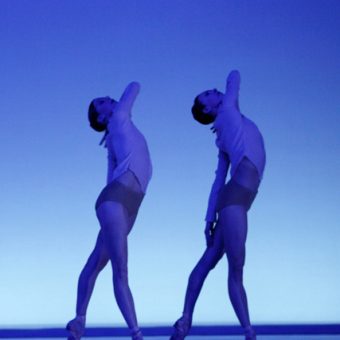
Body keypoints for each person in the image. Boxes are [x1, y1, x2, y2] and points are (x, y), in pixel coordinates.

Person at [170, 70, 266, 340]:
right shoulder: (227, 113)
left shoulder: (224, 133)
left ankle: (185, 321)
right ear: (210, 109)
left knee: (210, 260)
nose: (214, 90)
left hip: (232, 199)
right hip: (236, 199)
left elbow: (217, 182)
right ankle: (249, 333)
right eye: (208, 95)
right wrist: (210, 218)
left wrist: (208, 219)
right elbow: (235, 77)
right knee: (235, 269)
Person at [66, 82, 152, 340]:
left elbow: (110, 175)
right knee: (120, 269)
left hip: (124, 203)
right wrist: (119, 108)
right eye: (101, 101)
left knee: (96, 262)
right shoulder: (119, 118)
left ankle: (78, 321)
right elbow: (135, 86)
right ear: (102, 116)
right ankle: (136, 333)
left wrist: (108, 211)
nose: (107, 97)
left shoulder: (117, 132)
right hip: (117, 201)